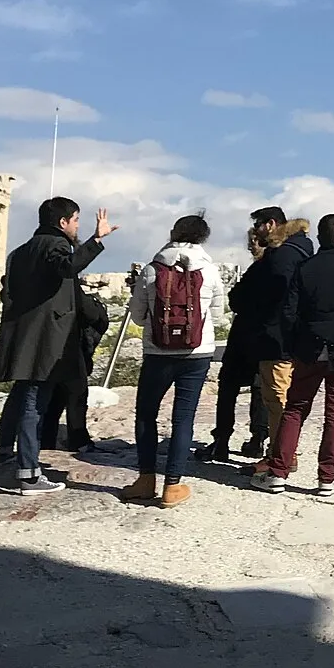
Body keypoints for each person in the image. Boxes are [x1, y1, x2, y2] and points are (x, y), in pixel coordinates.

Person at [0, 196, 111, 495]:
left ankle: (3, 450)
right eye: (77, 220)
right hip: (46, 337)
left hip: (21, 333)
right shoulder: (55, 246)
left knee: (20, 393)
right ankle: (29, 474)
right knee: (34, 402)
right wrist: (96, 239)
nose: (77, 226)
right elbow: (68, 268)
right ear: (63, 222)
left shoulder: (19, 253)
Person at [255, 213, 334, 495]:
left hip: (309, 349)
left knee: (296, 407)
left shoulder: (305, 268)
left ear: (320, 239)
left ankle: (278, 473)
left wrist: (290, 347)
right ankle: (327, 478)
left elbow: (289, 312)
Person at [119, 215, 224, 508]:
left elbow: (138, 316)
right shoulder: (210, 271)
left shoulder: (152, 270)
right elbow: (217, 315)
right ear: (203, 238)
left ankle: (145, 479)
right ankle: (173, 486)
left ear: (172, 233)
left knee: (146, 415)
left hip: (157, 353)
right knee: (183, 419)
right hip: (197, 354)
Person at [204, 208, 313, 469]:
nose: (256, 234)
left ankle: (277, 453)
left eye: (258, 226)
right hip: (278, 335)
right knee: (266, 390)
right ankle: (266, 443)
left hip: (265, 334)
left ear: (271, 225)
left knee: (268, 392)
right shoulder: (302, 251)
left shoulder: (279, 257)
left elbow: (250, 297)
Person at [36, 275, 109, 453]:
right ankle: (79, 441)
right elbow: (89, 312)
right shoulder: (67, 279)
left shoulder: (35, 279)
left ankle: (45, 442)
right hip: (68, 346)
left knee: (52, 400)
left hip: (41, 345)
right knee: (76, 394)